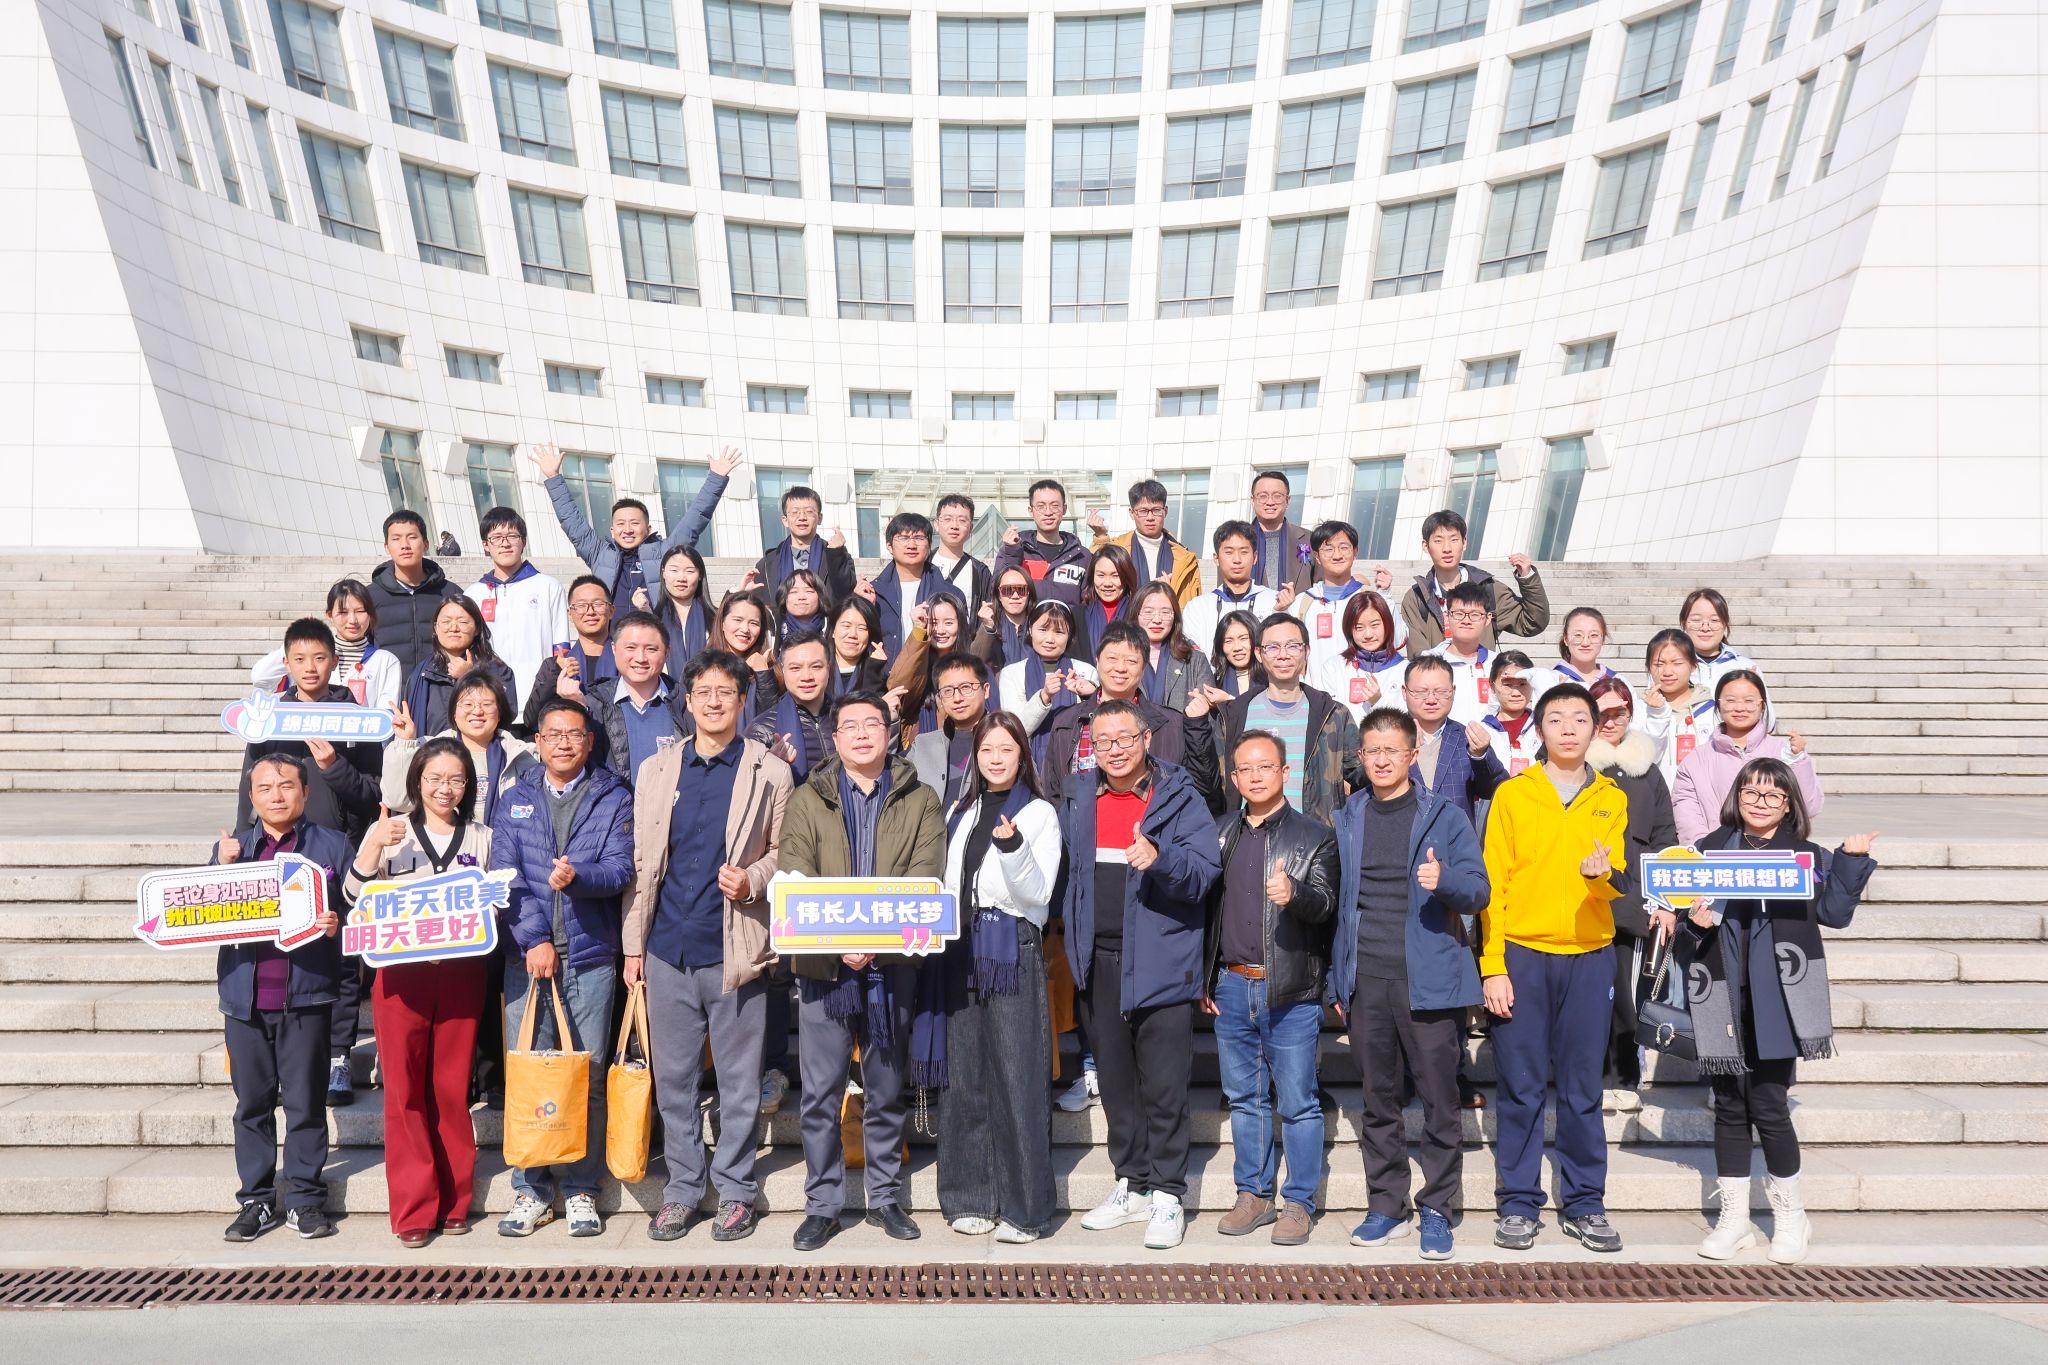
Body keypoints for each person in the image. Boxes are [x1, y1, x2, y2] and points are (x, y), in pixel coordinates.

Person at [1657, 759, 1877, 1266]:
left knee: (1770, 1106)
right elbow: (1685, 935)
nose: (1760, 802)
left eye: (1773, 795)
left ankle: (1791, 1216)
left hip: (1779, 998)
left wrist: (1850, 860)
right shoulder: (1707, 852)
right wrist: (1694, 922)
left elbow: (1834, 913)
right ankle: (1734, 1220)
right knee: (1729, 1106)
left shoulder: (1805, 856)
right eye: (1751, 792)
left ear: (1788, 804)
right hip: (1719, 994)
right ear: (1736, 797)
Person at [622, 650, 794, 1245]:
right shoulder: (657, 769)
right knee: (674, 1081)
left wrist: (754, 879)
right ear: (689, 701)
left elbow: (786, 851)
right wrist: (633, 946)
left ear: (743, 701)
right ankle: (683, 1190)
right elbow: (642, 864)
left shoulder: (769, 772)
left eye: (726, 692)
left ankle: (737, 1191)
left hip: (735, 948)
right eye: (704, 692)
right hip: (667, 946)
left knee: (740, 1083)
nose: (715, 701)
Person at [778, 690, 948, 1252]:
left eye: (871, 724)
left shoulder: (919, 797)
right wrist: (842, 940)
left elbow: (926, 872)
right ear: (835, 737)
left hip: (890, 966)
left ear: (889, 730)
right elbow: (795, 870)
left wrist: (874, 940)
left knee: (885, 1089)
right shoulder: (808, 797)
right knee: (820, 1095)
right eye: (848, 726)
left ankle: (884, 1197)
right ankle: (823, 1205)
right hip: (824, 968)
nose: (860, 734)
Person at [1328, 709, 1489, 1262]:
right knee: (1379, 1099)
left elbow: (1479, 891)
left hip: (1431, 980)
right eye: (1372, 751)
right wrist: (1339, 976)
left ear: (1412, 755)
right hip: (1367, 978)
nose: (1381, 760)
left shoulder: (1444, 815)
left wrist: (1444, 881)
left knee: (1440, 1101)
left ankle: (1438, 1207)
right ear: (1361, 756)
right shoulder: (1348, 814)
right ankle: (1387, 1206)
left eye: (1391, 751)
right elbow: (1341, 902)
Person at [1064, 701, 1221, 1251]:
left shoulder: (1179, 797)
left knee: (1164, 1085)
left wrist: (1160, 858)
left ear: (1147, 739)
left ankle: (1168, 1193)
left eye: (1125, 738)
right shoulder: (1079, 796)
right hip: (1098, 962)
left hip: (1161, 963)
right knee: (1116, 1084)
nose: (1114, 749)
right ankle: (1131, 1184)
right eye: (1103, 741)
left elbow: (1204, 874)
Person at [1480, 683, 1630, 1254]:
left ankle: (1585, 1203)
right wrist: (1493, 965)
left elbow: (1616, 883)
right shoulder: (1514, 795)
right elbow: (1493, 886)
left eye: (1580, 719)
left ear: (1595, 730)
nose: (1569, 728)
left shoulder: (1611, 798)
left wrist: (1600, 875)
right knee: (1521, 1088)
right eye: (1557, 718)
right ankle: (1519, 1204)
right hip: (1523, 954)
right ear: (1539, 729)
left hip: (1590, 957)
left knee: (1582, 1089)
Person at [491, 697, 636, 1238]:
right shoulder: (515, 798)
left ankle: (580, 1189)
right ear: (538, 742)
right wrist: (533, 939)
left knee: (587, 1076)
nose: (564, 743)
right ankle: (531, 1189)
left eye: (574, 734)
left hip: (591, 955)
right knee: (530, 1072)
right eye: (553, 734)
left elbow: (621, 869)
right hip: (528, 959)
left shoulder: (613, 795)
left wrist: (579, 877)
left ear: (589, 741)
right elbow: (505, 875)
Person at [345, 740, 492, 1246]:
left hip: (461, 974)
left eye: (455, 779)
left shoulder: (483, 836)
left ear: (468, 785)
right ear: (417, 781)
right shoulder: (392, 832)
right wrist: (372, 847)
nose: (445, 789)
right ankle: (413, 1208)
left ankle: (454, 1201)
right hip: (400, 977)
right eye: (434, 779)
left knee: (450, 1089)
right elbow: (353, 898)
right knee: (405, 1090)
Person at [235, 619, 383, 1108]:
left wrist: (332, 768)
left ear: (334, 660)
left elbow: (371, 794)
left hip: (334, 847)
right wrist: (242, 842)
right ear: (287, 663)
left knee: (338, 954)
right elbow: (252, 786)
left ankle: (338, 1055)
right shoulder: (269, 716)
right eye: (299, 659)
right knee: (279, 950)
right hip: (277, 851)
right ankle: (283, 1060)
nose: (310, 667)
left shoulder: (355, 717)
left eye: (319, 658)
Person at [1205, 731, 1340, 1247]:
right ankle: (1254, 1194)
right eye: (1246, 769)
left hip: (1290, 990)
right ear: (1234, 778)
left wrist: (1294, 893)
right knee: (1244, 1098)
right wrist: (1207, 977)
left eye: (1266, 766)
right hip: (1232, 984)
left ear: (1286, 773)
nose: (1256, 776)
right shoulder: (1222, 833)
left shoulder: (1314, 835)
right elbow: (1207, 912)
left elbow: (1326, 905)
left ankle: (1299, 1202)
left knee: (1298, 1102)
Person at [937, 711, 1062, 1243]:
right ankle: (969, 1196)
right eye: (986, 749)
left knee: (1016, 1076)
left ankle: (1025, 1210)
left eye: (1006, 749)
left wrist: (1012, 848)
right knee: (964, 1076)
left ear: (1022, 756)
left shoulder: (1039, 813)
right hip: (960, 948)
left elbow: (1038, 894)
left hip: (1011, 946)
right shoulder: (961, 810)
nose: (995, 758)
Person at [214, 755, 346, 1242]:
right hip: (244, 1001)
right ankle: (256, 1200)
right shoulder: (233, 849)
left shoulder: (332, 845)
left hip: (306, 998)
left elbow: (360, 911)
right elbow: (201, 912)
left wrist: (337, 924)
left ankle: (306, 1199)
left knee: (306, 1104)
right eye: (265, 787)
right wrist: (220, 865)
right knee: (251, 1105)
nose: (276, 795)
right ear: (251, 797)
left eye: (286, 785)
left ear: (305, 792)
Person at [1587, 677, 1677, 1099]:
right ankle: (1584, 1077)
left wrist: (1663, 900)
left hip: (1630, 897)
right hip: (1579, 893)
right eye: (1601, 713)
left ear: (1630, 712)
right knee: (1583, 994)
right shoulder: (1573, 763)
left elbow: (1664, 837)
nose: (1609, 721)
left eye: (1618, 712)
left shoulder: (1646, 769)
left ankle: (1623, 1077)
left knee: (1623, 992)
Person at [1197, 613, 1359, 825]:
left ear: (1306, 651)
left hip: (1317, 839)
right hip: (1248, 836)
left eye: (1293, 646)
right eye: (1272, 647)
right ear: (1258, 653)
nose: (1283, 655)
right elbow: (1213, 783)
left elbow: (1362, 775)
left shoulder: (1333, 715)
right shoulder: (1234, 714)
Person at [531, 443, 732, 612]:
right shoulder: (599, 554)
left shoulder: (665, 552)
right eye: (620, 524)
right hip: (611, 640)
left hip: (652, 639)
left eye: (635, 523)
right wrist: (553, 478)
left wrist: (716, 479)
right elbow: (572, 522)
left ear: (648, 528)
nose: (627, 529)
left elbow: (694, 521)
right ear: (612, 531)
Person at [1039, 623, 1196, 799]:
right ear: (1097, 661)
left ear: (1143, 668)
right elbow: (1053, 792)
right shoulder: (1066, 722)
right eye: (1112, 658)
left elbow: (1194, 790)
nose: (1120, 668)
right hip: (1081, 816)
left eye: (1131, 661)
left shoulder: (1172, 725)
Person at [1673, 671, 1820, 843]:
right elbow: (1686, 812)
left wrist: (1798, 761)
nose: (1739, 708)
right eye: (1730, 700)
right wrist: (1704, 847)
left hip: (1776, 852)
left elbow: (1809, 808)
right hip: (1717, 853)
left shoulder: (1785, 753)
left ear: (1763, 705)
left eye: (1749, 701)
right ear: (1718, 705)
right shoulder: (1697, 759)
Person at [384, 672, 537, 825]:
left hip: (504, 839)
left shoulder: (521, 755)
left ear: (499, 713)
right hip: (446, 838)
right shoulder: (430, 752)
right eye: (468, 704)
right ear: (454, 713)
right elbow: (399, 801)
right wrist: (405, 744)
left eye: (486, 704)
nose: (477, 711)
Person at [1398, 510, 1549, 656]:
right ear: (1426, 546)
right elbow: (1418, 654)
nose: (1447, 548)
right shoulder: (1417, 598)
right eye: (1438, 541)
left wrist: (1527, 578)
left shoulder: (1489, 589)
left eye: (1454, 539)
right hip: (1436, 673)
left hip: (1480, 671)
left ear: (1464, 543)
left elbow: (1532, 623)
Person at [465, 507, 568, 706]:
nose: (505, 543)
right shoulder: (473, 594)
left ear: (524, 542)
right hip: (491, 700)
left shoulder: (548, 586)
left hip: (540, 698)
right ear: (485, 545)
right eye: (496, 538)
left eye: (512, 536)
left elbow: (561, 647)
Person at [251, 578, 402, 711]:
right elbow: (260, 677)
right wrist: (299, 639)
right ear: (329, 615)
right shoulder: (308, 658)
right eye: (343, 612)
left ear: (370, 614)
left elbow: (386, 716)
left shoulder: (386, 661)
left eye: (360, 611)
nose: (352, 620)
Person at [583, 611, 689, 782]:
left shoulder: (685, 701)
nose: (640, 658)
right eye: (631, 648)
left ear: (667, 652)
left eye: (651, 649)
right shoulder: (594, 703)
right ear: (614, 649)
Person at [1400, 656, 1505, 824]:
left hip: (1455, 838)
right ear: (1404, 692)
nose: (1431, 700)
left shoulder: (1467, 738)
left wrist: (1481, 755)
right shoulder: (1388, 737)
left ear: (1453, 691)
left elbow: (1497, 789)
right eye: (1421, 692)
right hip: (1402, 835)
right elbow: (1363, 781)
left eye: (1441, 692)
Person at [1293, 520, 1402, 680]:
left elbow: (1397, 640)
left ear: (1355, 551)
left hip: (1363, 691)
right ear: (1317, 556)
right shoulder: (1303, 602)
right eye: (1329, 549)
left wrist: (1385, 596)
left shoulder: (1369, 599)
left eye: (1344, 547)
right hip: (1317, 693)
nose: (1337, 555)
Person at [369, 510, 464, 685]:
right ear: (386, 547)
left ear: (425, 543)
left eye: (412, 537)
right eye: (396, 539)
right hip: (389, 694)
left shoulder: (451, 594)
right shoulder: (370, 597)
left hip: (440, 693)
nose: (405, 545)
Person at [403, 597, 518, 741]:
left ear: (477, 628)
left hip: (480, 751)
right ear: (436, 628)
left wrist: (471, 677)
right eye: (446, 622)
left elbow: (507, 714)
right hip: (433, 751)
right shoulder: (422, 673)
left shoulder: (497, 670)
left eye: (462, 622)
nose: (454, 628)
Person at [520, 575, 617, 732]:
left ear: (611, 611)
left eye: (598, 604)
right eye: (581, 605)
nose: (590, 612)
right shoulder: (554, 665)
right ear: (570, 614)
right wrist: (555, 673)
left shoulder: (627, 660)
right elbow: (530, 720)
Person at [1087, 478, 1201, 605]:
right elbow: (1094, 576)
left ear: (1165, 511)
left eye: (1156, 510)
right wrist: (1100, 537)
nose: (1150, 517)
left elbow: (1193, 606)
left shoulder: (1185, 558)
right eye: (1143, 511)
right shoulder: (1118, 548)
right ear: (1131, 513)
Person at [997, 601, 1097, 739]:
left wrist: (1092, 695)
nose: (1050, 639)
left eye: (1059, 632)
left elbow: (1099, 725)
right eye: (1043, 630)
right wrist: (1044, 697)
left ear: (1069, 636)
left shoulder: (1086, 671)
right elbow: (1015, 730)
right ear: (1030, 629)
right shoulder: (1011, 674)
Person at [908, 651, 992, 808]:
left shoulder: (1005, 740)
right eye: (947, 691)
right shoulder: (923, 745)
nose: (957, 698)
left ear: (985, 690)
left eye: (966, 687)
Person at [751, 630, 836, 784]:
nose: (807, 677)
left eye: (816, 667)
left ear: (828, 669)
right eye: (796, 668)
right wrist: (771, 767)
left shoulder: (847, 717)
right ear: (783, 670)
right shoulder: (762, 729)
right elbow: (748, 787)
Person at [1183, 520, 1280, 654]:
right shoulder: (1198, 608)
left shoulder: (1274, 601)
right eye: (1229, 552)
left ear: (1255, 557)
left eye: (1244, 552)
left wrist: (1282, 611)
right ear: (1216, 558)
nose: (1237, 560)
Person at [994, 478, 1091, 611]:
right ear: (1031, 510)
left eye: (1055, 506)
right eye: (1041, 506)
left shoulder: (1082, 556)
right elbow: (997, 592)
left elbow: (1090, 604)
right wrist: (1011, 553)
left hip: (1067, 625)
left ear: (1064, 509)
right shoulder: (1016, 550)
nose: (1048, 512)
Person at [865, 512, 950, 660]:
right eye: (903, 538)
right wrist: (863, 606)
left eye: (919, 538)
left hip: (934, 671)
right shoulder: (873, 593)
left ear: (929, 545)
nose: (911, 545)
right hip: (887, 672)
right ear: (889, 546)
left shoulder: (949, 594)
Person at [1638, 628, 1716, 786]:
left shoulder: (1713, 710)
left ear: (1693, 665)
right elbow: (1643, 760)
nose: (1667, 672)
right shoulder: (1639, 710)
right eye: (1659, 664)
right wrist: (1656, 714)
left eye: (1677, 663)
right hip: (1657, 798)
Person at [1313, 590, 1407, 721]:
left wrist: (1378, 702)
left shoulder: (1405, 670)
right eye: (1359, 627)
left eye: (1375, 625)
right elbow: (1327, 719)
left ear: (1388, 624)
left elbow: (1408, 722)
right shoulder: (1333, 667)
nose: (1368, 634)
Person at [755, 482, 857, 601]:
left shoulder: (837, 555)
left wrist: (836, 555)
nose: (802, 517)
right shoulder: (768, 563)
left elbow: (846, 595)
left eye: (809, 512)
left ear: (820, 518)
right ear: (785, 520)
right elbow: (758, 604)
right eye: (795, 512)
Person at [886, 593, 969, 738]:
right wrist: (918, 630)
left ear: (960, 624)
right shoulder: (917, 662)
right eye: (934, 623)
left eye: (948, 623)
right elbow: (899, 687)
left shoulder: (971, 666)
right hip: (920, 743)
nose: (940, 630)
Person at [1424, 582, 1505, 723]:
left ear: (1487, 619)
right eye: (1459, 614)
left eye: (1475, 615)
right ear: (1447, 616)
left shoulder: (1499, 665)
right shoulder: (1427, 662)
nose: (1466, 621)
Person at [1132, 582, 1214, 712]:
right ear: (1136, 615)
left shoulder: (1195, 660)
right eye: (1148, 612)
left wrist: (1198, 717)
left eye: (1165, 612)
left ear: (1175, 616)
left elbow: (1211, 714)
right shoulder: (1122, 659)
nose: (1157, 620)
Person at [643, 543, 712, 663]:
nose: (681, 578)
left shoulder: (714, 619)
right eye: (674, 570)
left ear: (700, 575)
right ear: (663, 573)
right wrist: (645, 614)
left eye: (689, 571)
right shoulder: (654, 617)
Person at [1247, 469, 1313, 597]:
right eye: (1263, 496)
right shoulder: (1235, 541)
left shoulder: (1308, 539)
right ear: (1252, 500)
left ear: (1287, 500)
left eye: (1277, 496)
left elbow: (1320, 585)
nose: (1270, 502)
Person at [1681, 588, 1760, 693]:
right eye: (1696, 620)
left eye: (1714, 620)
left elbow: (1764, 704)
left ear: (1725, 624)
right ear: (1684, 623)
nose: (1705, 628)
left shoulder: (1745, 667)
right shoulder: (1670, 668)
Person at [1479, 651, 1543, 778]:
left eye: (1523, 684)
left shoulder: (1543, 726)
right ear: (1492, 685)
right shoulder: (1483, 731)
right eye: (1507, 684)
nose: (1516, 693)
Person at [932, 493, 994, 620]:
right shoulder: (922, 564)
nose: (954, 526)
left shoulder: (981, 572)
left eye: (962, 520)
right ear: (936, 524)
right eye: (948, 519)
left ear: (970, 528)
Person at [1078, 543, 1139, 661]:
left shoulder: (1138, 614)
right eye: (1101, 575)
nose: (1107, 583)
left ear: (1127, 577)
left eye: (1115, 576)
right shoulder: (1078, 615)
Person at [1546, 607, 1619, 690]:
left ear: (1603, 639)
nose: (1585, 643)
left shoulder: (1618, 682)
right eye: (1578, 635)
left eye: (1594, 635)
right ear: (1565, 639)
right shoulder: (1550, 680)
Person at [977, 565, 1037, 667]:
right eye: (1007, 590)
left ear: (1029, 593)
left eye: (1021, 590)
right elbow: (976, 662)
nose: (1015, 596)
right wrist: (987, 628)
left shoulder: (1039, 624)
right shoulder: (991, 625)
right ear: (999, 595)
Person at [1209, 610, 1266, 699]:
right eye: (1228, 641)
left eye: (1243, 638)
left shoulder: (1273, 678)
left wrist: (1229, 700)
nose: (1237, 648)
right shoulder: (1216, 684)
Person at [773, 569, 830, 643]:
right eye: (794, 592)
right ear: (784, 597)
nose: (801, 597)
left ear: (820, 596)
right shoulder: (774, 627)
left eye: (809, 591)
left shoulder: (832, 627)